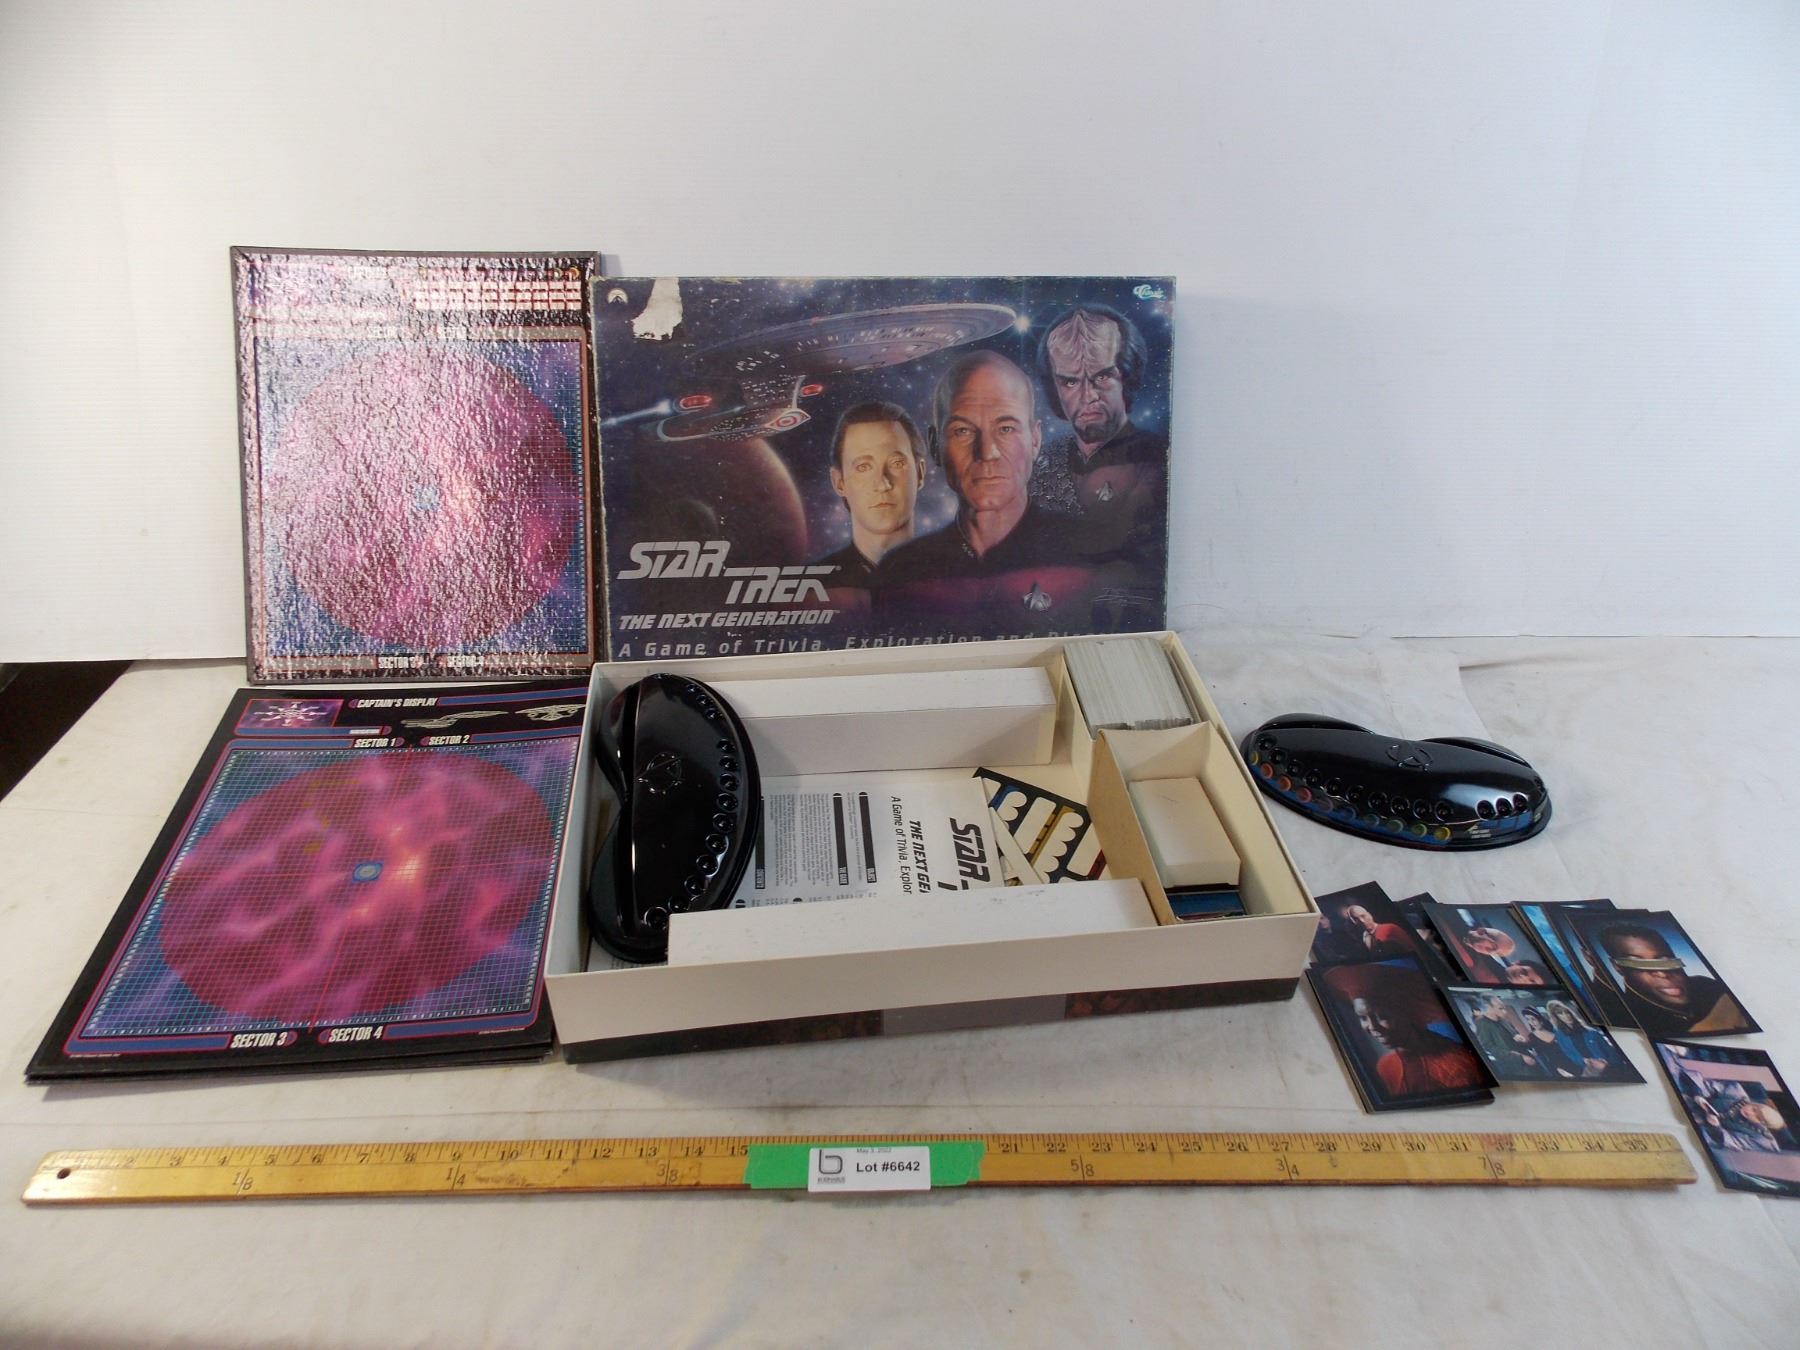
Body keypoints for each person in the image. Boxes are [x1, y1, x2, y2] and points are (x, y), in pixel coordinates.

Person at [877, 351, 1064, 583]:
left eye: (1006, 429)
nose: (987, 452)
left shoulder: (1088, 556)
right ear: (934, 446)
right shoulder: (900, 573)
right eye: (962, 431)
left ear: (1035, 440)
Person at [1320, 962, 1487, 1097]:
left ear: (1408, 1013)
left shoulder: (1457, 1062)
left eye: (1382, 1016)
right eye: (1363, 1018)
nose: (1372, 1027)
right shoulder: (1385, 1065)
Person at [811, 402, 927, 588]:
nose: (882, 484)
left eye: (896, 464)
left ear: (920, 473)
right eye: (863, 467)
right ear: (839, 482)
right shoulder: (813, 589)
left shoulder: (960, 577)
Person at [1595, 922, 1752, 1037]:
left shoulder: (1710, 987)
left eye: (1665, 960)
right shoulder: (1622, 1017)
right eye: (1637, 963)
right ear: (1617, 967)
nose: (1662, 973)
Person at [1546, 999, 1614, 1078]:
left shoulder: (1591, 1032)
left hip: (1607, 1068)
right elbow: (1569, 1054)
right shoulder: (1561, 1036)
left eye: (1567, 1012)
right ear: (1557, 1018)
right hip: (1589, 1072)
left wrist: (1606, 1063)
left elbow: (1611, 1052)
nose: (1566, 1016)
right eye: (1560, 1013)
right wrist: (1582, 1060)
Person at [1513, 1006, 1579, 1079]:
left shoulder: (1554, 1030)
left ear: (1540, 1019)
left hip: (1574, 1062)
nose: (1531, 1022)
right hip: (1558, 1069)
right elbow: (1533, 1051)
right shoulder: (1532, 1037)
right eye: (1528, 1019)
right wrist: (1522, 1042)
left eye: (1533, 1019)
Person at [1341, 903, 1416, 959]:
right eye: (1356, 919)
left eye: (1363, 916)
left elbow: (1413, 949)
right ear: (1353, 922)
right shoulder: (1364, 937)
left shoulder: (1390, 928)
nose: (1362, 921)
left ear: (1369, 915)